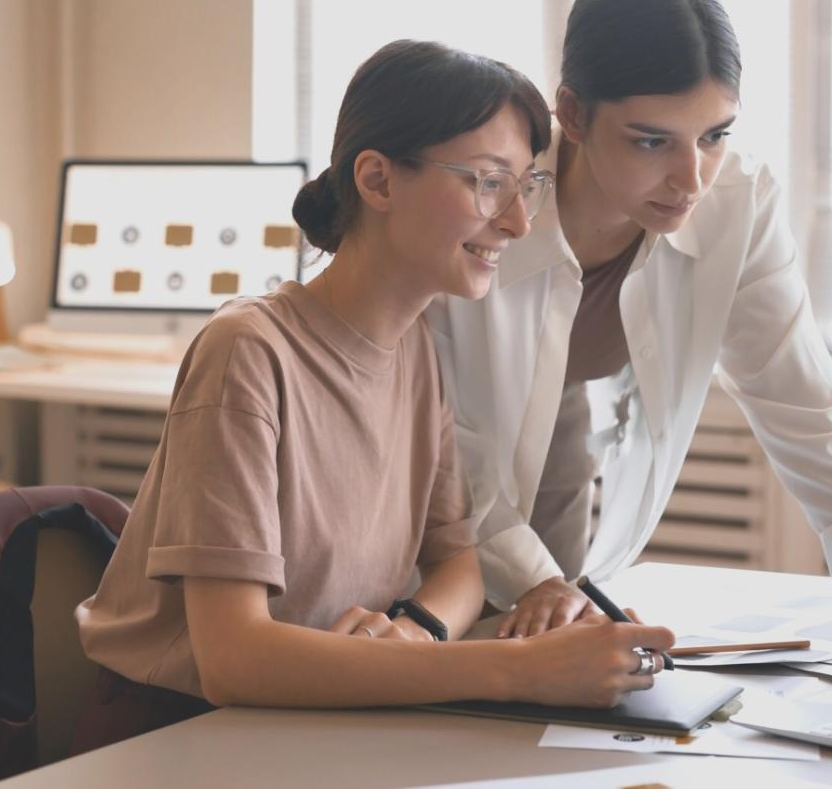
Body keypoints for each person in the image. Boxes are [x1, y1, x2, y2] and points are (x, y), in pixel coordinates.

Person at [72, 39, 676, 755]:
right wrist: (519, 670)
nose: (517, 222)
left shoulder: (415, 349)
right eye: (489, 183)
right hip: (179, 735)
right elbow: (233, 659)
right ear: (378, 181)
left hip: (321, 719)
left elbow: (458, 560)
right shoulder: (248, 352)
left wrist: (415, 631)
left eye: (525, 186)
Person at [427, 0, 832, 655]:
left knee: (549, 666)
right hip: (422, 479)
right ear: (570, 113)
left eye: (714, 136)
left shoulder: (735, 204)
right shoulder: (486, 206)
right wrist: (539, 583)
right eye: (651, 140)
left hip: (556, 454)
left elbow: (802, 404)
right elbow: (451, 447)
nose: (690, 180)